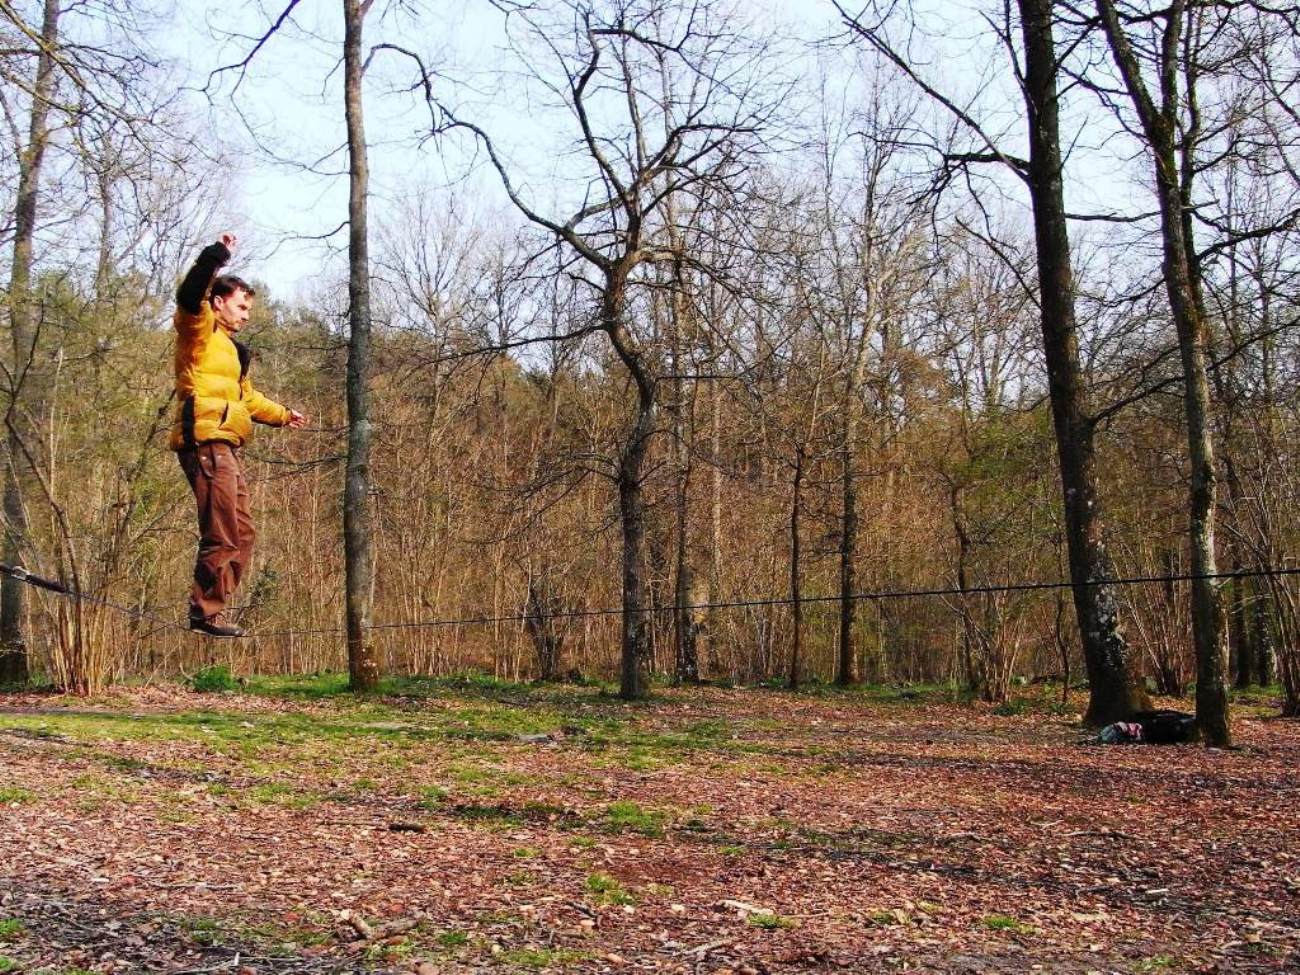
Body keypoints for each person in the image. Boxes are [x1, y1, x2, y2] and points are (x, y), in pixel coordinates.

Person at [171, 232, 307, 637]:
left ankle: (212, 608)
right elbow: (190, 293)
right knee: (223, 531)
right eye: (241, 306)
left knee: (242, 532)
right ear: (218, 303)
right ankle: (204, 611)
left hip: (227, 445)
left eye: (250, 308)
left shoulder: (233, 353)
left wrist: (283, 415)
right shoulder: (199, 331)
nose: (246, 315)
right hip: (207, 441)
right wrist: (217, 257)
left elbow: (248, 400)